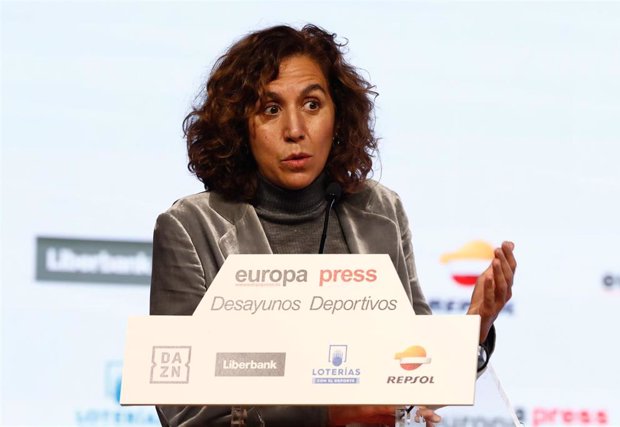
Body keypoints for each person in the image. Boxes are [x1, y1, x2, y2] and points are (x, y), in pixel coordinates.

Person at [150, 24, 516, 427]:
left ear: (338, 116)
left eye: (312, 105)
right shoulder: (190, 227)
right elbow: (183, 411)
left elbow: (412, 370)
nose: (295, 130)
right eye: (271, 109)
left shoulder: (380, 211)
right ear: (240, 124)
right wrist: (328, 415)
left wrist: (473, 330)